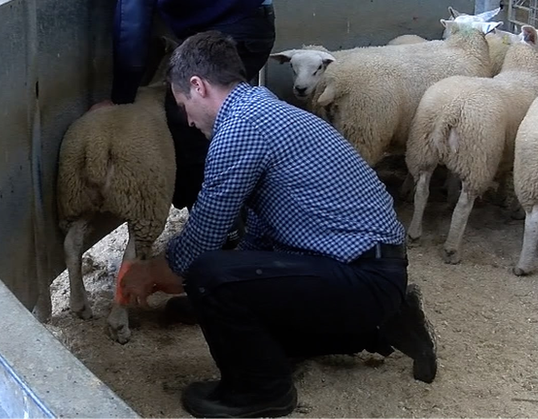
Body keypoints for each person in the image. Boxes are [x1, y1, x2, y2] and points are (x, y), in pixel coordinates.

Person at [118, 31, 438, 418]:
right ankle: (385, 325)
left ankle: (260, 391)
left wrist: (158, 270)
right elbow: (261, 230)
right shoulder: (263, 111)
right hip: (369, 268)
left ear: (199, 87)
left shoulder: (241, 126)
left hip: (362, 276)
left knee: (207, 272)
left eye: (184, 103)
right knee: (215, 285)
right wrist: (217, 296)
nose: (187, 119)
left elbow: (205, 232)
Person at [37, 0, 276, 213]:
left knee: (184, 113)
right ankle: (225, 211)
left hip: (237, 28)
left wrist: (121, 98)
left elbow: (133, 12)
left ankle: (214, 223)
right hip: (224, 23)